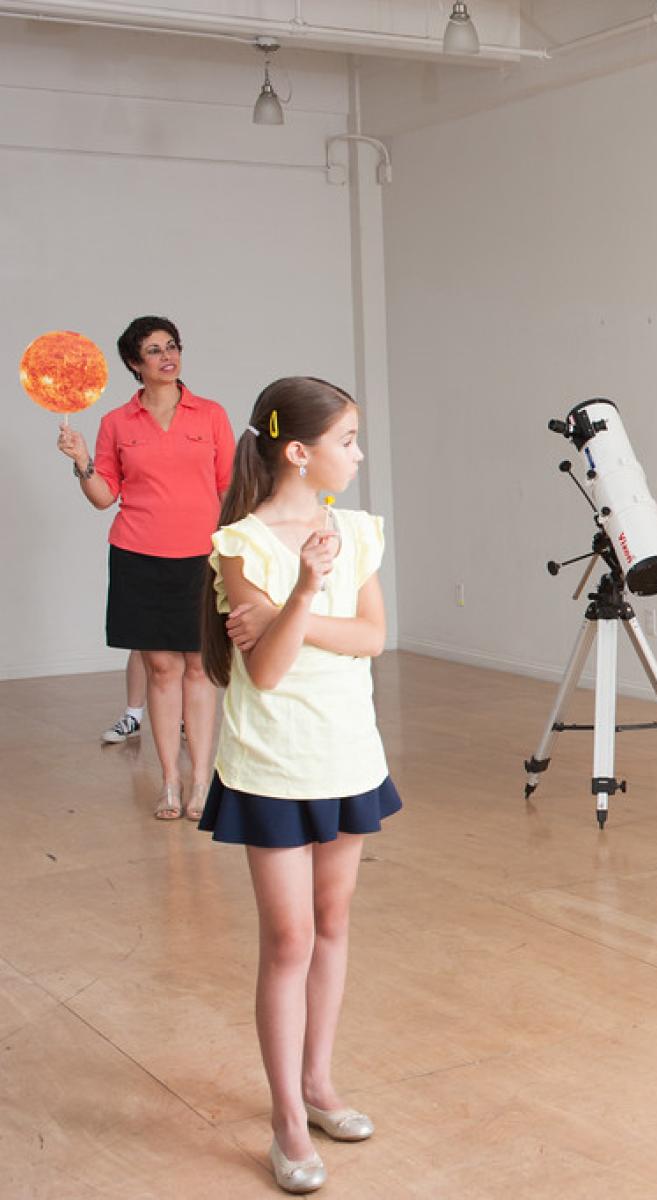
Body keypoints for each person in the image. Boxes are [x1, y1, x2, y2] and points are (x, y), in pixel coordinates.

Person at [197, 376, 399, 1193]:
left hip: (348, 755)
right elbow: (268, 672)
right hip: (274, 763)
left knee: (333, 922)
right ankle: (286, 1119)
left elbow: (376, 637)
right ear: (298, 451)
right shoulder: (241, 544)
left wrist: (292, 615)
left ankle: (319, 1085)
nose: (357, 454)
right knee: (288, 942)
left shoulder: (354, 530)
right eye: (347, 441)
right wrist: (307, 591)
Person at [57, 317, 231, 817]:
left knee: (200, 668)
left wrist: (236, 552)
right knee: (161, 669)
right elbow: (103, 496)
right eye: (153, 351)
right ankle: (170, 783)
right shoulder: (116, 423)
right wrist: (81, 459)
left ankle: (202, 783)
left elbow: (228, 489)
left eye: (171, 346)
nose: (166, 356)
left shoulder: (211, 415)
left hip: (203, 556)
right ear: (135, 364)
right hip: (139, 555)